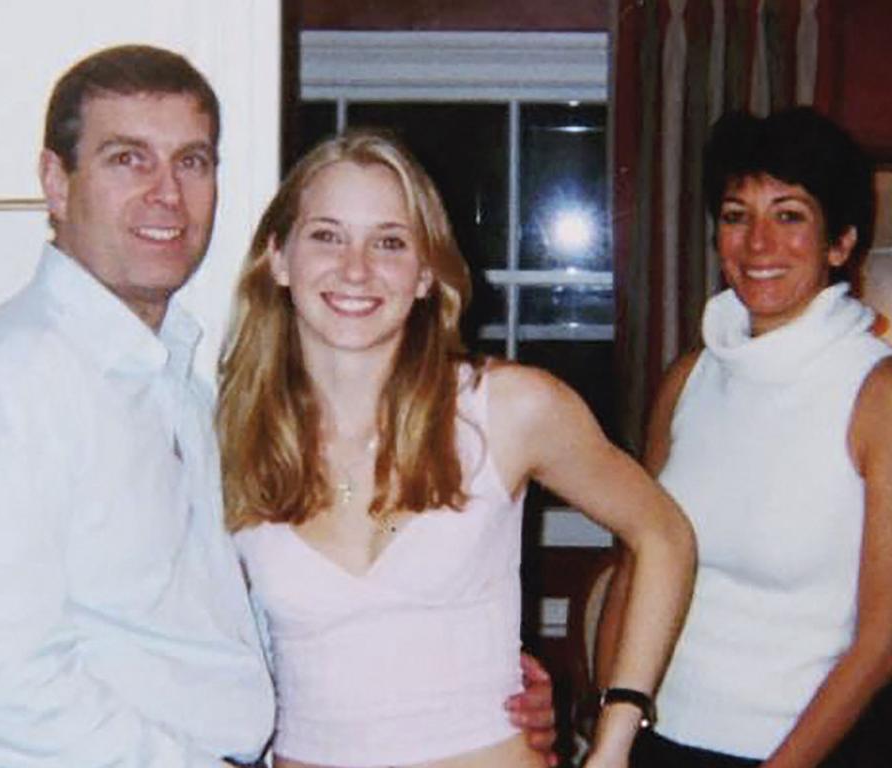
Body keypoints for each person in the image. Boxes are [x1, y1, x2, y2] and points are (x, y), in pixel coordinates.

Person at [0, 45, 556, 768]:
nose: (166, 194)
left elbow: (218, 631)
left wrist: (456, 680)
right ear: (57, 182)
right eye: (127, 159)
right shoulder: (16, 380)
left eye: (192, 162)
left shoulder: (185, 386)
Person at [216, 130, 696, 768]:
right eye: (327, 235)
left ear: (424, 274)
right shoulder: (227, 436)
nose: (355, 268)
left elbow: (665, 535)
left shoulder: (508, 410)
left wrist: (613, 740)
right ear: (278, 258)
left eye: (389, 242)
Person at [597, 107, 892, 767]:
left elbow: (881, 639)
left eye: (789, 216)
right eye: (736, 215)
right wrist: (610, 725)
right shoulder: (689, 378)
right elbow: (634, 569)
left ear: (841, 243)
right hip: (656, 739)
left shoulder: (877, 395)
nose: (758, 244)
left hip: (802, 752)